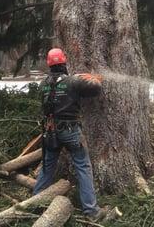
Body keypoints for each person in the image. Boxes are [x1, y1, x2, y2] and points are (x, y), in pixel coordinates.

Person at [33, 48, 107, 221]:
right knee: (82, 166)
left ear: (49, 64)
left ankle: (34, 203)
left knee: (47, 167)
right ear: (64, 62)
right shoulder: (73, 81)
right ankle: (91, 211)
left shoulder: (43, 84)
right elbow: (96, 88)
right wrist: (91, 78)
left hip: (50, 132)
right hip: (70, 131)